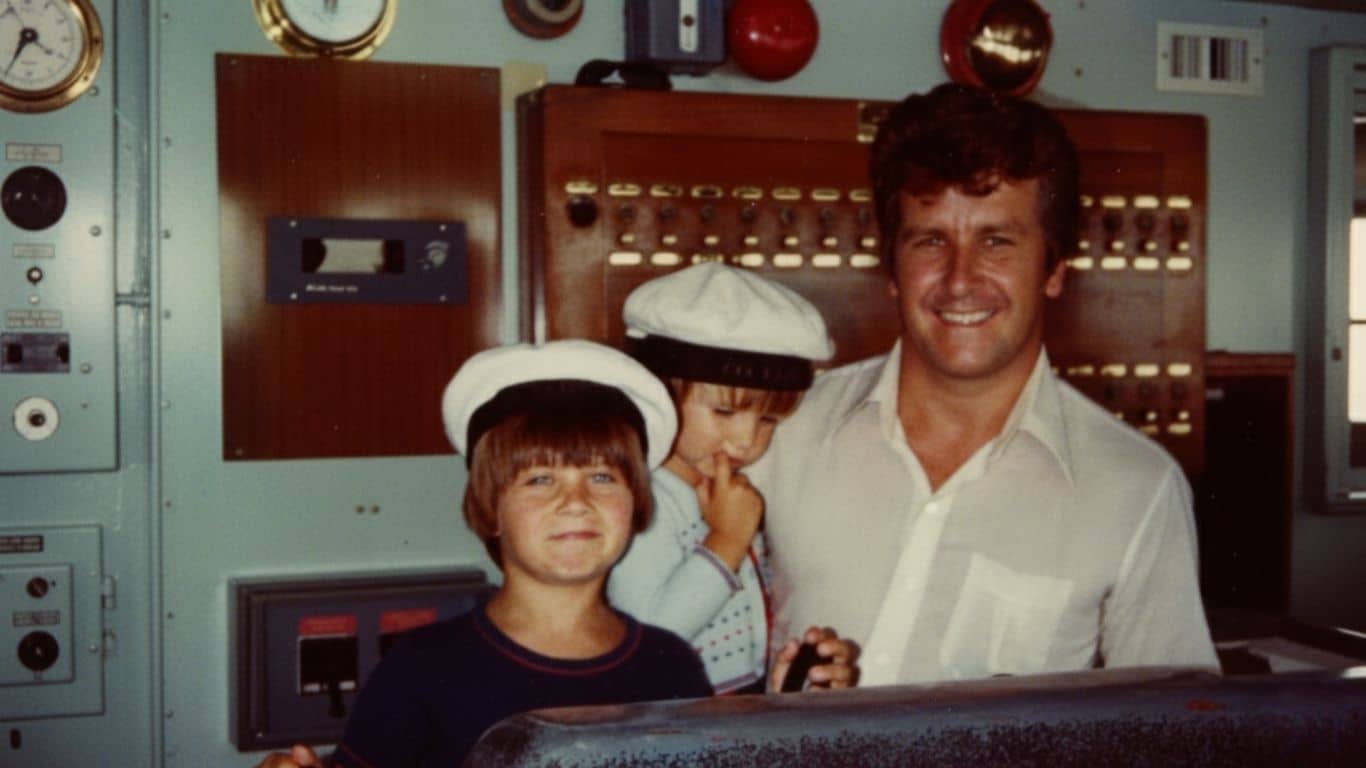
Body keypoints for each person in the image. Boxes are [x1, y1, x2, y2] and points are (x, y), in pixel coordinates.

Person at [748, 83, 1220, 686]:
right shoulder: (783, 431)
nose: (960, 280)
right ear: (891, 269)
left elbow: (1173, 733)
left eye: (997, 241)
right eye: (930, 240)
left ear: (1053, 269)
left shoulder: (1136, 490)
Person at [258, 340, 714, 767]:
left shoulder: (669, 664)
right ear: (489, 508)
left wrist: (778, 715)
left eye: (601, 478)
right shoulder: (424, 668)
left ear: (635, 503)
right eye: (539, 480)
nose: (576, 502)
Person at [606, 263, 851, 695]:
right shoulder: (641, 498)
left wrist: (787, 672)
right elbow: (650, 640)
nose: (745, 442)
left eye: (768, 420)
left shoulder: (729, 492)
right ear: (658, 394)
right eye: (723, 412)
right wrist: (727, 542)